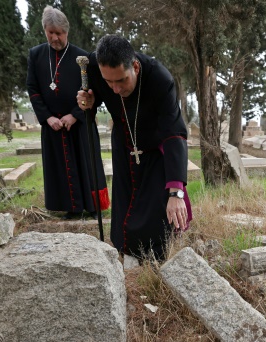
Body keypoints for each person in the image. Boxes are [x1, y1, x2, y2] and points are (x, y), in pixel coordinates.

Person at [77, 35, 191, 260]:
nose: (116, 89)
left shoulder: (160, 79)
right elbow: (92, 98)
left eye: (121, 80)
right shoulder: (93, 66)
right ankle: (124, 249)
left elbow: (174, 133)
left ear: (135, 67)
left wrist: (176, 190)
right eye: (109, 82)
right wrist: (87, 103)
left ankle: (155, 256)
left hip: (154, 144)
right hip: (123, 141)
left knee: (155, 205)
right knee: (124, 201)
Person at [26, 6, 109, 219]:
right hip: (53, 126)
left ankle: (92, 208)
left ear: (66, 31)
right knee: (60, 168)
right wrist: (48, 117)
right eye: (50, 32)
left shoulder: (82, 57)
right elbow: (33, 90)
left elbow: (94, 93)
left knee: (87, 164)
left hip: (80, 123)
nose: (55, 37)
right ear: (45, 30)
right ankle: (70, 208)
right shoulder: (36, 55)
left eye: (59, 33)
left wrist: (75, 114)